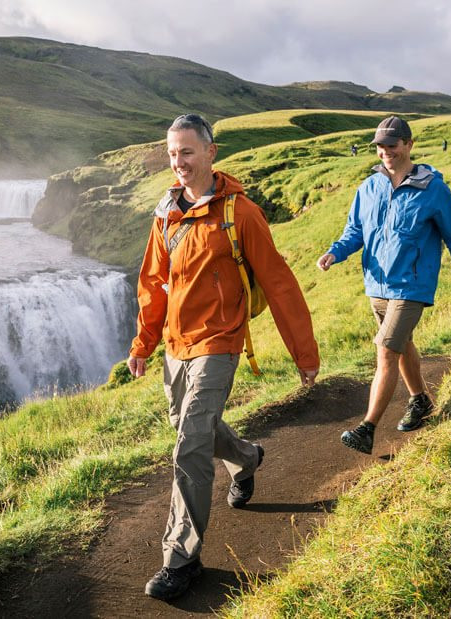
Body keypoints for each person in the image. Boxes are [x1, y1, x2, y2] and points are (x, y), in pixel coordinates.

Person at [128, 114, 320, 600]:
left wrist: (304, 352)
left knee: (189, 443)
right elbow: (153, 284)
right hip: (176, 343)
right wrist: (143, 344)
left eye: (187, 152)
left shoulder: (240, 213)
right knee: (193, 429)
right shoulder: (165, 213)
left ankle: (181, 559)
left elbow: (278, 281)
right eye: (172, 154)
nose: (179, 163)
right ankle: (247, 458)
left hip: (220, 341)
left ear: (211, 153)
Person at [316, 116, 451, 455]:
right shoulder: (369, 188)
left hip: (412, 285)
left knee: (386, 351)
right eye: (380, 147)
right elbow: (355, 233)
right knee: (402, 344)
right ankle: (420, 399)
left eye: (392, 146)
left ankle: (367, 428)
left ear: (408, 144)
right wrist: (335, 252)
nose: (385, 152)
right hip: (377, 286)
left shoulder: (433, 189)